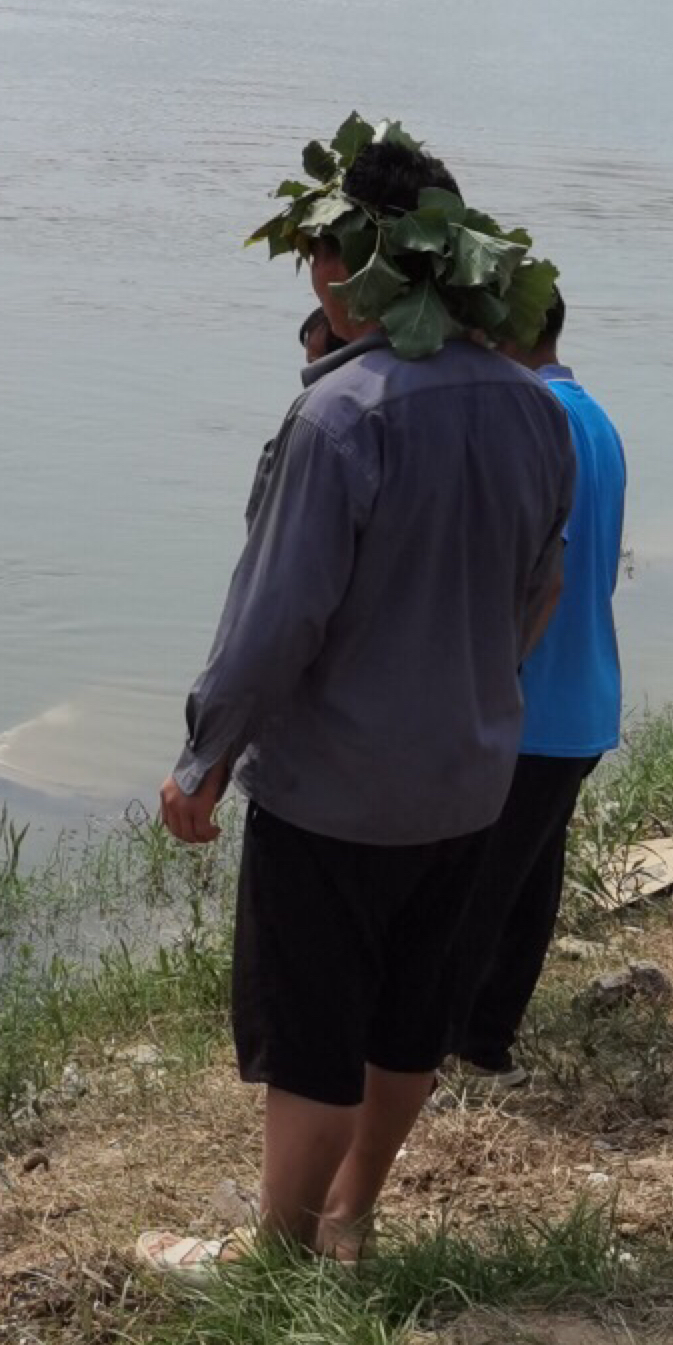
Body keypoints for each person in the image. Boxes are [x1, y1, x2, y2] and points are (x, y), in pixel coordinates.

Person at [158, 127, 572, 1260]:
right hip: (471, 775)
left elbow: (275, 618)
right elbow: (543, 587)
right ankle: (354, 1214)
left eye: (317, 263)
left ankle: (280, 1253)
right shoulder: (535, 407)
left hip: (337, 788)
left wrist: (205, 757)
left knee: (313, 1033)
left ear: (347, 270)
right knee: (406, 1018)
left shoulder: (341, 415)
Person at [438, 298, 628, 1077]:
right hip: (582, 693)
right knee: (526, 877)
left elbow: (536, 577)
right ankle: (485, 1041)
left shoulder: (528, 419)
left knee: (480, 889)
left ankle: (459, 1045)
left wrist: (480, 686)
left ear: (498, 333)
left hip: (527, 697)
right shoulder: (595, 418)